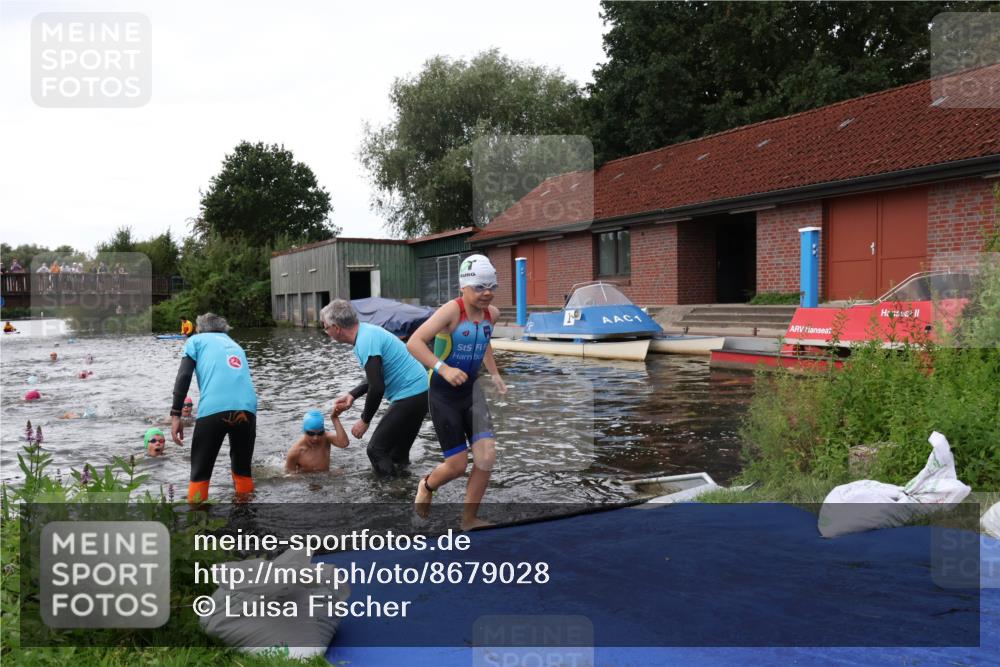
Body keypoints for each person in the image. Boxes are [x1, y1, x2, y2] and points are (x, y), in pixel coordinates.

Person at [407, 254, 507, 531]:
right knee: (457, 465)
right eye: (480, 287)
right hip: (443, 394)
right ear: (463, 287)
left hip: (471, 392)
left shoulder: (492, 315)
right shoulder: (451, 311)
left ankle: (468, 519)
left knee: (486, 456)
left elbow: (484, 341)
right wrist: (443, 368)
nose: (487, 293)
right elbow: (414, 343)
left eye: (491, 287)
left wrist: (495, 374)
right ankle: (426, 485)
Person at [322, 299, 429, 477]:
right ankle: (405, 491)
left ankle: (391, 493)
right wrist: (352, 395)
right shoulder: (365, 333)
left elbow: (377, 387)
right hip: (419, 391)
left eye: (326, 327)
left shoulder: (365, 341)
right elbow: (375, 377)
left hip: (411, 394)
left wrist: (365, 420)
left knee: (376, 450)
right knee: (397, 455)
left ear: (337, 328)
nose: (326, 332)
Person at [170, 313, 258, 503]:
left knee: (200, 472)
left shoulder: (196, 341)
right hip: (247, 408)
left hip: (214, 408)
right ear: (224, 328)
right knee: (242, 471)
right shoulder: (236, 345)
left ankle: (197, 524)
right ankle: (246, 520)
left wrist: (176, 414)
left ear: (200, 328)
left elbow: (184, 377)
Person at [285, 409, 349, 473]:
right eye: (311, 434)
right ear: (304, 431)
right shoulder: (295, 452)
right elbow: (290, 476)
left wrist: (335, 418)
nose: (316, 438)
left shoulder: (326, 438)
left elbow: (344, 443)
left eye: (320, 433)